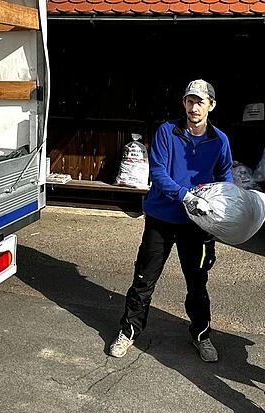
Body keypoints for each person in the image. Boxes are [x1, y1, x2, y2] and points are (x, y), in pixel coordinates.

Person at [108, 79, 233, 362]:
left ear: (211, 105)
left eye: (200, 102)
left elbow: (225, 175)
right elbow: (160, 173)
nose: (194, 107)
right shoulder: (167, 131)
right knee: (143, 279)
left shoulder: (219, 140)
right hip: (161, 217)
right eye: (190, 101)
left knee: (198, 283)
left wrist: (225, 203)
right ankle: (128, 331)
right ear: (184, 103)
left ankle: (201, 336)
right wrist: (185, 196)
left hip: (197, 223)